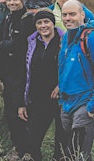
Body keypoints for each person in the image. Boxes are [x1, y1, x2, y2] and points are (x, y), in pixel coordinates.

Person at [58, 0, 94, 160]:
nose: (68, 18)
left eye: (72, 14)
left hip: (85, 103)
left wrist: (92, 106)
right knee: (72, 152)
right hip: (67, 104)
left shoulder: (93, 38)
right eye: (65, 15)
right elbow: (64, 70)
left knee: (78, 153)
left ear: (83, 15)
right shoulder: (66, 39)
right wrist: (62, 101)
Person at [17, 8, 65, 161]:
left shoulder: (64, 41)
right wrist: (21, 103)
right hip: (38, 99)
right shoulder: (31, 42)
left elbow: (72, 69)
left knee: (61, 142)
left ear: (53, 23)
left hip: (60, 99)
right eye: (39, 22)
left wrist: (60, 85)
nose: (43, 26)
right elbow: (24, 74)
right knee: (32, 141)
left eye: (46, 22)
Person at [0, 0, 35, 159]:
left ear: (22, 0)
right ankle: (18, 146)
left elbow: (20, 46)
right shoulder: (8, 18)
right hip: (9, 73)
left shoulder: (28, 20)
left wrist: (5, 46)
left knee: (19, 111)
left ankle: (23, 149)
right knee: (10, 111)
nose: (12, 2)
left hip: (22, 74)